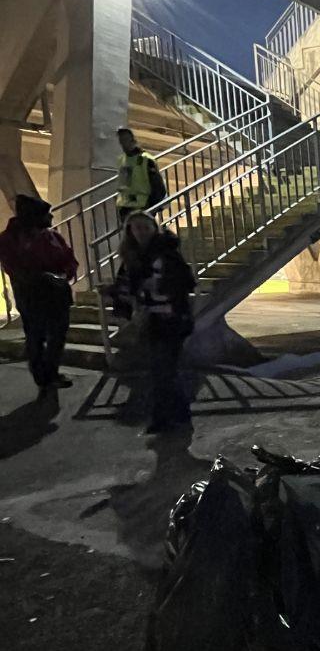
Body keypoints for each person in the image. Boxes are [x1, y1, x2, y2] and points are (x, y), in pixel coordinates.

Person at [112, 212, 196, 433]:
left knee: (165, 370)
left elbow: (186, 282)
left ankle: (174, 419)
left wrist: (158, 286)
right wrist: (119, 298)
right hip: (151, 320)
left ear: (154, 228)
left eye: (145, 227)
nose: (141, 232)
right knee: (159, 371)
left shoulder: (166, 253)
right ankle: (167, 418)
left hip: (171, 318)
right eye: (136, 228)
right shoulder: (133, 257)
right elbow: (126, 285)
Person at [0, 194, 78, 397]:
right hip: (32, 295)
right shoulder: (10, 240)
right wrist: (44, 277)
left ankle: (52, 373)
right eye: (46, 215)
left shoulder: (51, 236)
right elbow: (15, 268)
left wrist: (63, 275)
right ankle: (42, 377)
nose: (51, 218)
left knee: (58, 335)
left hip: (57, 294)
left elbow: (69, 259)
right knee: (36, 337)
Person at [115, 127, 167, 220]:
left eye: (125, 140)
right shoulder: (121, 160)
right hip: (125, 208)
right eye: (121, 140)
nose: (122, 143)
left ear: (133, 140)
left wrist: (152, 207)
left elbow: (158, 187)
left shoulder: (146, 160)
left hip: (143, 207)